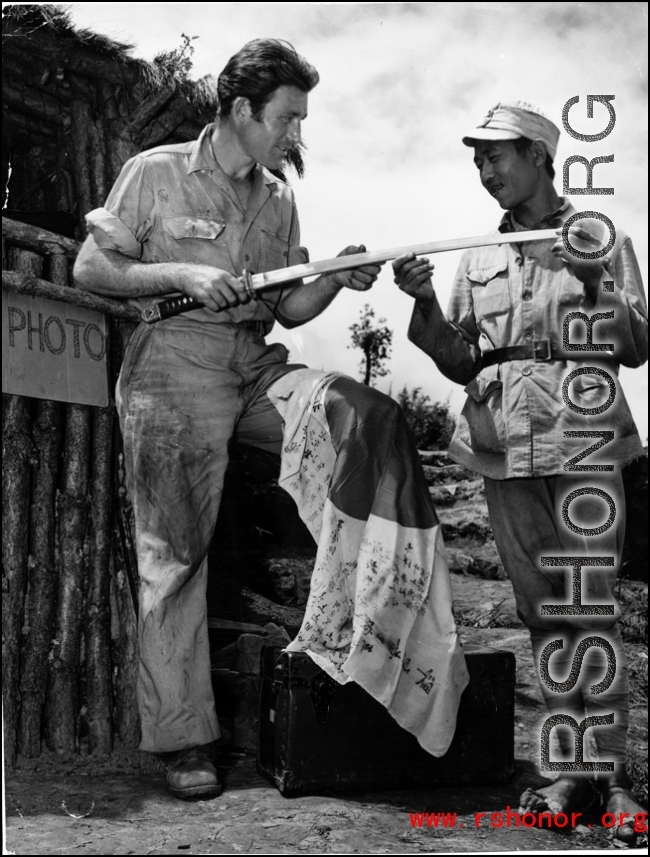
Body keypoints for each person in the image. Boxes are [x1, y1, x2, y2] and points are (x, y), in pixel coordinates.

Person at [74, 39, 468, 800]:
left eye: (300, 120)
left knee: (364, 416)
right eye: (287, 118)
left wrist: (333, 281)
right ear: (241, 108)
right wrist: (181, 272)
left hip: (255, 366)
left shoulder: (279, 198)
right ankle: (184, 740)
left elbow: (288, 306)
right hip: (173, 368)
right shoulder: (155, 173)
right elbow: (94, 268)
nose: (295, 135)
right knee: (176, 555)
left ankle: (372, 642)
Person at [392, 101, 648, 845]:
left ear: (539, 155)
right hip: (504, 444)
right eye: (477, 158)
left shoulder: (599, 236)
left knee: (589, 607)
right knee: (543, 611)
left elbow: (636, 344)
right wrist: (425, 303)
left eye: (495, 155)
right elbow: (462, 360)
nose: (484, 170)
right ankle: (570, 771)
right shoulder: (475, 255)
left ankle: (618, 782)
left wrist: (593, 280)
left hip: (583, 437)